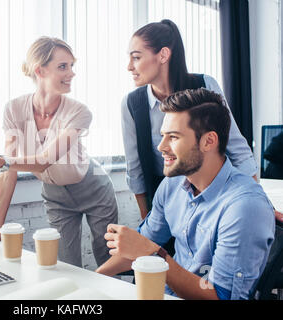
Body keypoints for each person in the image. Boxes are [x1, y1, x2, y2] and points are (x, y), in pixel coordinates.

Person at [0, 36, 119, 268]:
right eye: (63, 66)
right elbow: (8, 171)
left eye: (72, 66)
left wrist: (2, 161)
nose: (71, 73)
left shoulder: (79, 112)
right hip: (56, 197)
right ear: (39, 70)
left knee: (107, 262)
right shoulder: (14, 109)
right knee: (65, 266)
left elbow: (44, 161)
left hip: (94, 189)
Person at [96, 88, 275, 300]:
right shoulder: (172, 186)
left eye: (173, 137)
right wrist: (93, 279)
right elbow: (139, 244)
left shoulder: (245, 207)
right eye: (162, 136)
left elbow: (221, 297)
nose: (161, 147)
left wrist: (154, 254)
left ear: (208, 141)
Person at [121, 19, 257, 221]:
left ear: (163, 55)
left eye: (136, 57)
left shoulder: (204, 85)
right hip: (165, 196)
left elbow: (236, 147)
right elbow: (135, 169)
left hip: (212, 190)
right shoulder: (132, 103)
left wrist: (259, 202)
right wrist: (146, 218)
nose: (129, 67)